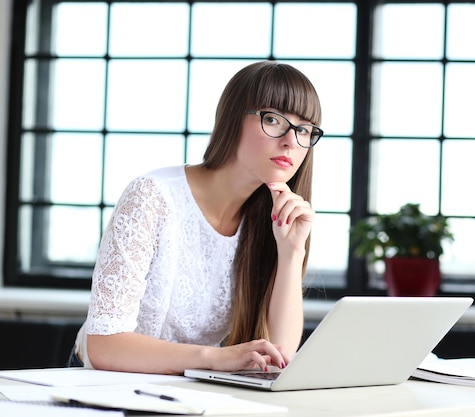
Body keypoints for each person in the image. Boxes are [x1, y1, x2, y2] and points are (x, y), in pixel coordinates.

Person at [67, 61, 323, 375]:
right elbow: (104, 346)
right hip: (101, 383)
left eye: (304, 130)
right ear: (231, 118)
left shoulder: (267, 221)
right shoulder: (152, 196)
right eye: (272, 119)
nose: (290, 140)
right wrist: (217, 359)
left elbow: (280, 355)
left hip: (187, 389)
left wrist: (292, 252)